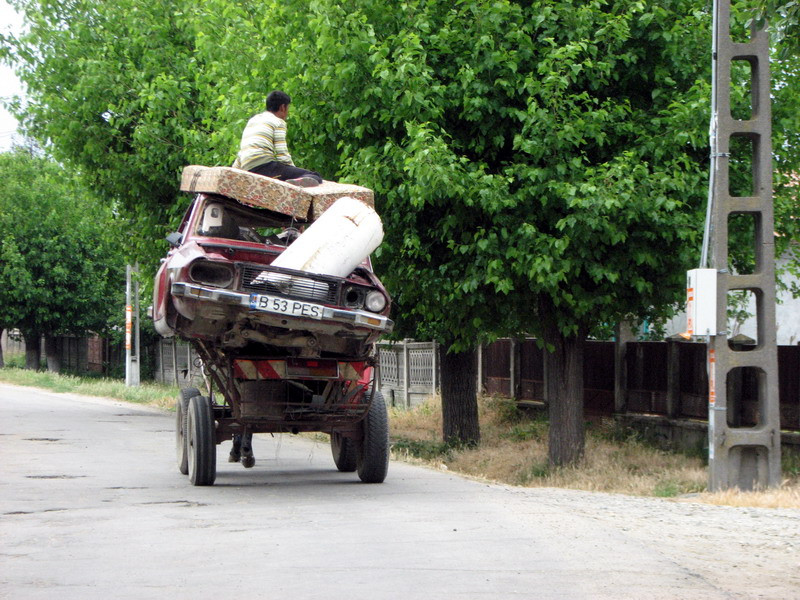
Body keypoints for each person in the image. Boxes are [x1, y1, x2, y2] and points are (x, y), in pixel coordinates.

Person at [232, 90, 323, 187]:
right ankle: (295, 183)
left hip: (247, 167)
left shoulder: (253, 120)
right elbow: (282, 153)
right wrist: (291, 170)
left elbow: (243, 151)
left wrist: (234, 171)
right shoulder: (278, 122)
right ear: (283, 107)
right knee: (315, 176)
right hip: (264, 166)